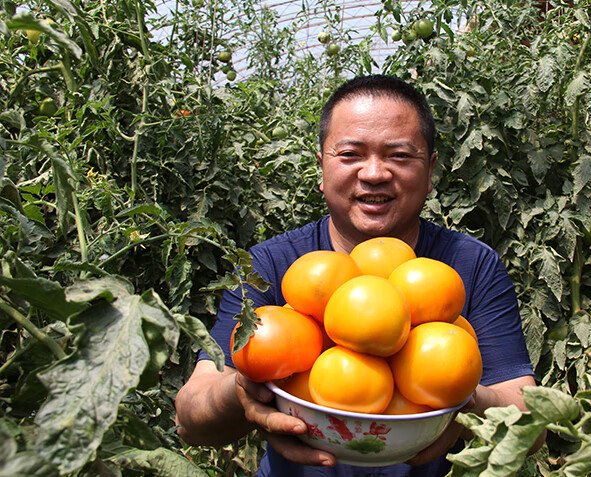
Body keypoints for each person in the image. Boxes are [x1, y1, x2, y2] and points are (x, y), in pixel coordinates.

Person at [175, 75, 544, 476]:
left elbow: (530, 417)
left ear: (431, 170)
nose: (373, 173)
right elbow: (191, 417)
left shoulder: (469, 265)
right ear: (321, 167)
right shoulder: (271, 266)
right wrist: (244, 392)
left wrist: (465, 405)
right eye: (350, 154)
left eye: (400, 156)